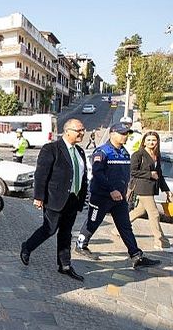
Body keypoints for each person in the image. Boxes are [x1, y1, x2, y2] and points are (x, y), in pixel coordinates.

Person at [75, 123, 160, 269]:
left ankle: (135, 255)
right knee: (93, 221)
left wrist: (127, 189)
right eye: (122, 133)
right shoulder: (102, 151)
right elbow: (98, 174)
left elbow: (125, 173)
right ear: (112, 134)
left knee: (125, 226)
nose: (125, 136)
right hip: (102, 196)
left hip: (119, 198)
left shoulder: (125, 152)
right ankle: (81, 245)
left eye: (127, 133)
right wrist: (111, 190)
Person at [19, 119, 88, 281]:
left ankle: (65, 265)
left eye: (83, 130)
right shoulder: (52, 149)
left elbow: (82, 176)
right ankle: (27, 247)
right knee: (49, 229)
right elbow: (41, 174)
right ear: (68, 131)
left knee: (66, 233)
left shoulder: (80, 152)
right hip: (55, 198)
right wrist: (38, 196)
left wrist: (82, 196)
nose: (82, 133)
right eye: (79, 130)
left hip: (73, 199)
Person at [120, 132, 172, 249]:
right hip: (142, 188)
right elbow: (133, 171)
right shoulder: (138, 154)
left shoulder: (157, 155)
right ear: (144, 141)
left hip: (152, 188)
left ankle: (118, 229)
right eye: (148, 140)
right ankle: (160, 241)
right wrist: (149, 174)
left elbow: (159, 175)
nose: (151, 142)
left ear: (157, 141)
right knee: (154, 214)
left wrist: (167, 191)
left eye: (154, 140)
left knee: (139, 211)